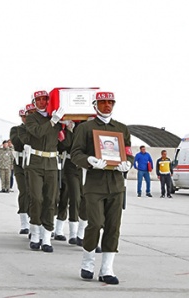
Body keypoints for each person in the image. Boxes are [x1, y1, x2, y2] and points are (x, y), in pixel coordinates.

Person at [71, 91, 134, 285]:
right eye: (103, 102)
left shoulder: (121, 129)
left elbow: (128, 152)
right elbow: (75, 153)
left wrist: (128, 163)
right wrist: (89, 160)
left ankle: (107, 269)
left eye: (110, 103)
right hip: (94, 184)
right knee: (95, 223)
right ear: (95, 105)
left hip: (115, 184)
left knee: (113, 227)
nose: (107, 106)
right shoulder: (86, 128)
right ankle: (88, 263)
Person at [24, 90, 64, 253]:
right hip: (36, 163)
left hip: (52, 163)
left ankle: (46, 237)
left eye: (45, 99)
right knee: (36, 198)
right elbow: (38, 133)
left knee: (51, 200)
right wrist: (53, 121)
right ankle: (35, 233)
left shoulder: (56, 119)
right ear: (34, 102)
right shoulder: (32, 118)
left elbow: (64, 142)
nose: (42, 102)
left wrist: (71, 125)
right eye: (38, 100)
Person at [10, 104, 34, 234]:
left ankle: (34, 220)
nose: (26, 119)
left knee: (34, 192)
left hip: (33, 163)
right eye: (24, 116)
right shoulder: (16, 129)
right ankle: (24, 221)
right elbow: (18, 142)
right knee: (24, 191)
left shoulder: (35, 128)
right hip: (20, 163)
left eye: (28, 116)